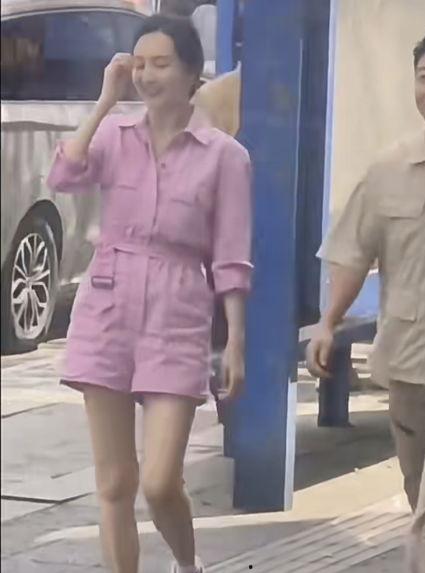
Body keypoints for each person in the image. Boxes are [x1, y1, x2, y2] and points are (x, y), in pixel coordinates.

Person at [47, 14, 252, 573]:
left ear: (192, 74)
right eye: (139, 64)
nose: (146, 75)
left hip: (177, 312)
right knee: (114, 482)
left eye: (161, 64)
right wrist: (104, 102)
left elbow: (231, 257)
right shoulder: (114, 136)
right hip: (107, 308)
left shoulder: (225, 156)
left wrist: (235, 341)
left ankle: (187, 565)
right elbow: (63, 176)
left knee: (160, 482)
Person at [307, 27, 425, 573]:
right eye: (424, 76)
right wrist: (328, 321)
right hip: (405, 361)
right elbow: (354, 252)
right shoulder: (388, 170)